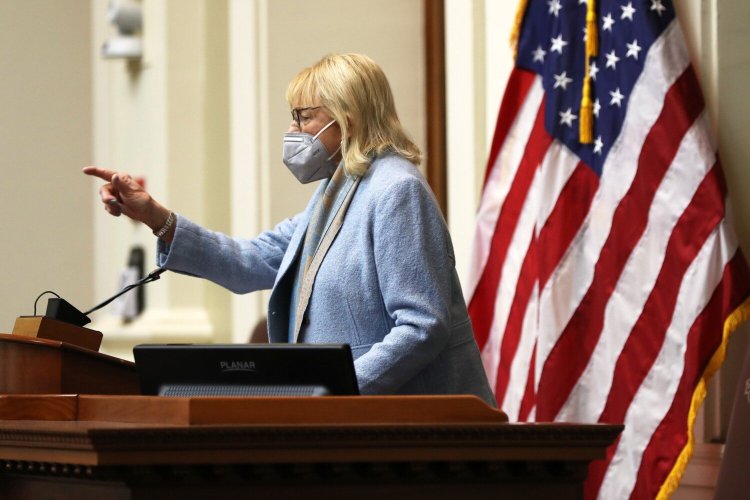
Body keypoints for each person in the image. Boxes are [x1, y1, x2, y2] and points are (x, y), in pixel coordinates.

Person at [84, 53, 495, 406]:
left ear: (346, 119)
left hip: (404, 429)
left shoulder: (395, 189)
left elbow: (423, 325)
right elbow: (249, 262)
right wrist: (156, 217)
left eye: (303, 117)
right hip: (349, 425)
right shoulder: (336, 192)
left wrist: (335, 394)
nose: (294, 131)